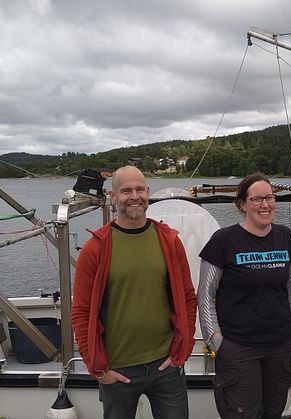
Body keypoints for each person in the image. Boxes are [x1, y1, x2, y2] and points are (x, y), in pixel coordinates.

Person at [71, 165, 197, 419]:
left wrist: (179, 355)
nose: (134, 196)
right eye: (125, 190)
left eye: (139, 189)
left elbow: (187, 298)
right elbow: (81, 313)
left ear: (148, 193)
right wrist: (99, 369)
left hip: (166, 366)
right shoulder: (96, 248)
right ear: (113, 196)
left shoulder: (169, 241)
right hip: (117, 369)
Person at [198, 172, 291, 419]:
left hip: (280, 345)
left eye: (269, 198)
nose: (265, 205)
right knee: (243, 414)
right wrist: (216, 340)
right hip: (238, 347)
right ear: (242, 204)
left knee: (273, 411)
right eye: (256, 199)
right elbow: (205, 294)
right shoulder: (223, 240)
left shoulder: (285, 237)